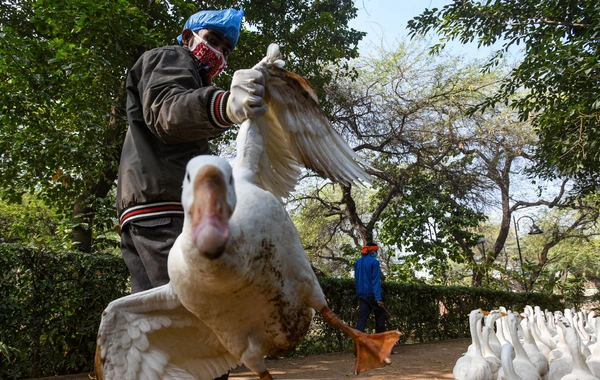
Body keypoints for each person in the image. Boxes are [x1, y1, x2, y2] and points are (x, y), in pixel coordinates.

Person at [354, 242, 387, 333]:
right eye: (376, 251)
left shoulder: (357, 263)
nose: (376, 253)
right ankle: (380, 344)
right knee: (380, 320)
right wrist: (379, 298)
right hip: (373, 295)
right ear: (371, 251)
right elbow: (375, 281)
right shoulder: (374, 262)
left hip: (362, 296)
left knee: (361, 320)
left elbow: (357, 281)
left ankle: (359, 343)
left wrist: (359, 297)